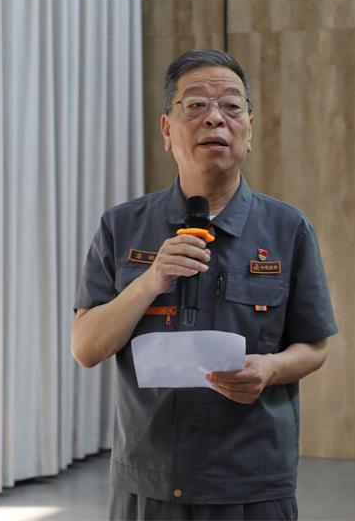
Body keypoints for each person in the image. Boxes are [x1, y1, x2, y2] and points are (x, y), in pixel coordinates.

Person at [72, 49, 337, 521]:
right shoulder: (122, 226)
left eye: (231, 106)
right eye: (195, 105)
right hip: (149, 479)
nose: (215, 118)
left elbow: (314, 346)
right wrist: (151, 280)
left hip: (251, 481)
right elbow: (86, 348)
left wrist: (270, 368)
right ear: (166, 130)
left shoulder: (288, 229)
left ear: (250, 130)